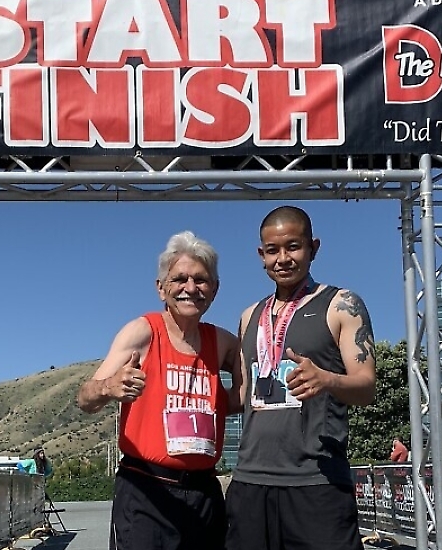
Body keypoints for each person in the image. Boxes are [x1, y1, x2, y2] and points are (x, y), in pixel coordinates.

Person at [77, 231, 242, 550]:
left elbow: (247, 393)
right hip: (147, 492)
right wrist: (110, 387)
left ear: (215, 289)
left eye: (201, 280)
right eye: (179, 279)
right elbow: (85, 398)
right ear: (161, 288)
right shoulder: (142, 332)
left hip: (204, 493)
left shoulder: (222, 342)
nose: (190, 288)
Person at [225, 206, 376, 550]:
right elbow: (242, 395)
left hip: (316, 483)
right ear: (261, 255)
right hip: (250, 483)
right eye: (272, 250)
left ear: (313, 248)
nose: (283, 259)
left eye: (293, 246)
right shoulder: (249, 316)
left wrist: (327, 380)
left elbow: (366, 387)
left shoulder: (341, 304)